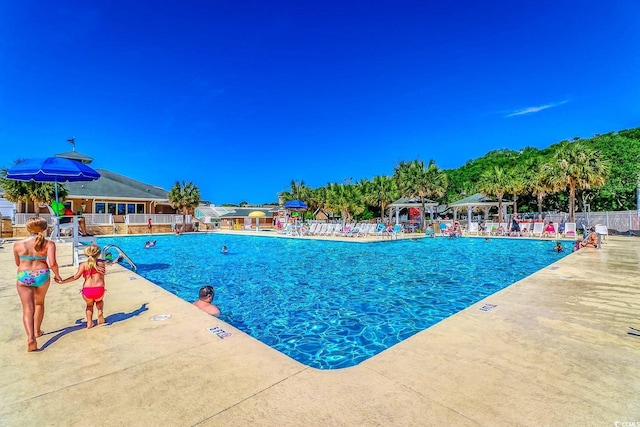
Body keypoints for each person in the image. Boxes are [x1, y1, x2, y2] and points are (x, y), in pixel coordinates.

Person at [13, 217, 62, 351]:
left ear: (28, 229)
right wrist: (57, 276)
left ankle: (30, 338)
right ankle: (37, 331)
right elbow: (52, 264)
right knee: (39, 303)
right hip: (42, 275)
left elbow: (18, 263)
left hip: (24, 276)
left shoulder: (18, 244)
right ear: (45, 229)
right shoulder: (49, 244)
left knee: (27, 308)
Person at [59, 244, 107, 329]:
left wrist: (63, 281)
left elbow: (75, 277)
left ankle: (89, 323)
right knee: (99, 301)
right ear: (98, 254)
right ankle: (100, 312)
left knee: (89, 305)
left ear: (86, 254)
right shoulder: (102, 263)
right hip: (99, 289)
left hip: (87, 290)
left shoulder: (83, 265)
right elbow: (106, 262)